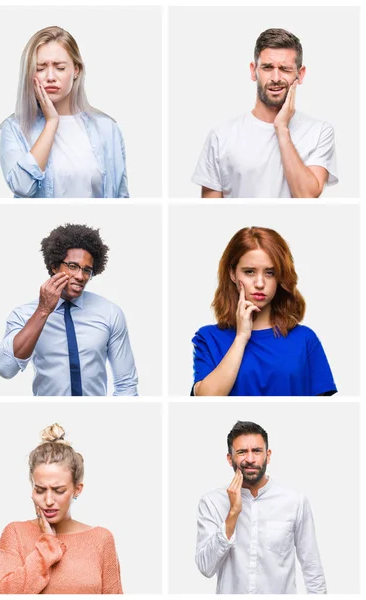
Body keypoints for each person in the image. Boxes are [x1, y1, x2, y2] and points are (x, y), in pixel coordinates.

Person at [0, 223, 138, 395]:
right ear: (54, 266)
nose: (80, 276)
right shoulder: (24, 314)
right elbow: (5, 369)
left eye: (87, 270)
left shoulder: (110, 313)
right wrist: (43, 311)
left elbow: (126, 383)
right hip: (49, 418)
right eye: (72, 266)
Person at [193, 28, 338, 198]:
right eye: (268, 67)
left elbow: (306, 196)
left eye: (285, 69)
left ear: (300, 74)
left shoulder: (319, 132)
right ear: (253, 71)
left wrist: (282, 129)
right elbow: (212, 215)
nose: (276, 77)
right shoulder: (221, 136)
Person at [192, 226, 336, 396]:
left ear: (280, 277)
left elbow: (322, 412)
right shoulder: (208, 338)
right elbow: (206, 400)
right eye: (249, 272)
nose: (260, 283)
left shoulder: (305, 339)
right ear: (232, 273)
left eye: (270, 273)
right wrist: (241, 338)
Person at [195, 421, 326, 593]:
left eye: (256, 451)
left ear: (268, 455)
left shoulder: (294, 501)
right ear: (230, 458)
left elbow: (312, 568)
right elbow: (206, 567)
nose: (250, 459)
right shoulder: (212, 502)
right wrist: (233, 514)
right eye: (242, 452)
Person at [0, 26, 128, 198]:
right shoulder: (15, 127)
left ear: (76, 70)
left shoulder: (107, 129)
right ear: (29, 73)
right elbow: (22, 187)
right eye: (40, 68)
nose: (50, 77)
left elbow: (121, 197)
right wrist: (51, 123)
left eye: (59, 67)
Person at [0, 423, 122, 594]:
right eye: (40, 490)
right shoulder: (15, 533)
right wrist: (48, 543)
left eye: (59, 490)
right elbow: (6, 594)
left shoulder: (101, 539)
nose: (48, 500)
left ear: (77, 489)